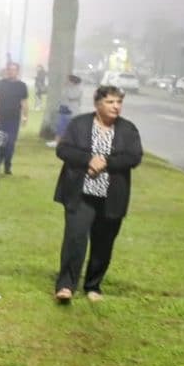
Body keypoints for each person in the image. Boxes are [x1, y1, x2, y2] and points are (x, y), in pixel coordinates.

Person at [53, 85, 143, 304]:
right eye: (110, 102)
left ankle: (93, 285)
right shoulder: (79, 124)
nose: (116, 107)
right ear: (97, 104)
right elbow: (63, 149)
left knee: (104, 243)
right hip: (80, 193)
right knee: (75, 238)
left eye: (119, 102)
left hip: (111, 197)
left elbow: (134, 156)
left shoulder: (128, 129)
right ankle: (66, 284)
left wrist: (105, 162)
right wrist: (88, 160)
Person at [0, 62, 29, 175]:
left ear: (17, 71)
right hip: (0, 118)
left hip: (13, 119)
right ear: (6, 71)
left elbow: (24, 103)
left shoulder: (21, 86)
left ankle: (8, 165)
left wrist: (25, 116)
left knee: (10, 143)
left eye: (14, 69)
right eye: (9, 69)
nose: (11, 71)